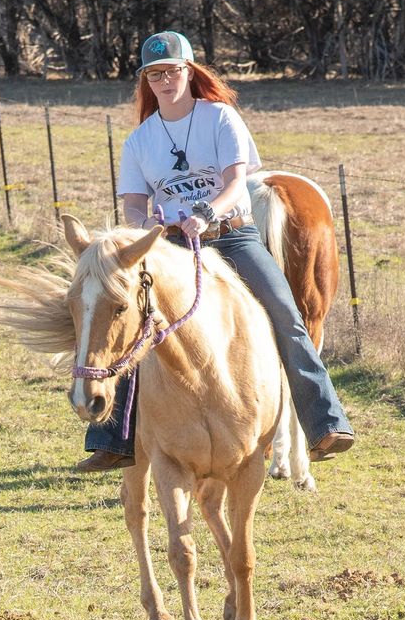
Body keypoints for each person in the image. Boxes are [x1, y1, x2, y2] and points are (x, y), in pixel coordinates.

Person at [78, 30, 354, 472]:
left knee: (285, 314)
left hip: (231, 234)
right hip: (171, 245)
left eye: (171, 71)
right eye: (154, 75)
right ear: (146, 82)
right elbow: (132, 203)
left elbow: (234, 182)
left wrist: (205, 213)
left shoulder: (220, 118)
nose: (164, 81)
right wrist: (144, 224)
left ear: (188, 71)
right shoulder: (139, 141)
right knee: (131, 319)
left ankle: (324, 424)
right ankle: (114, 438)